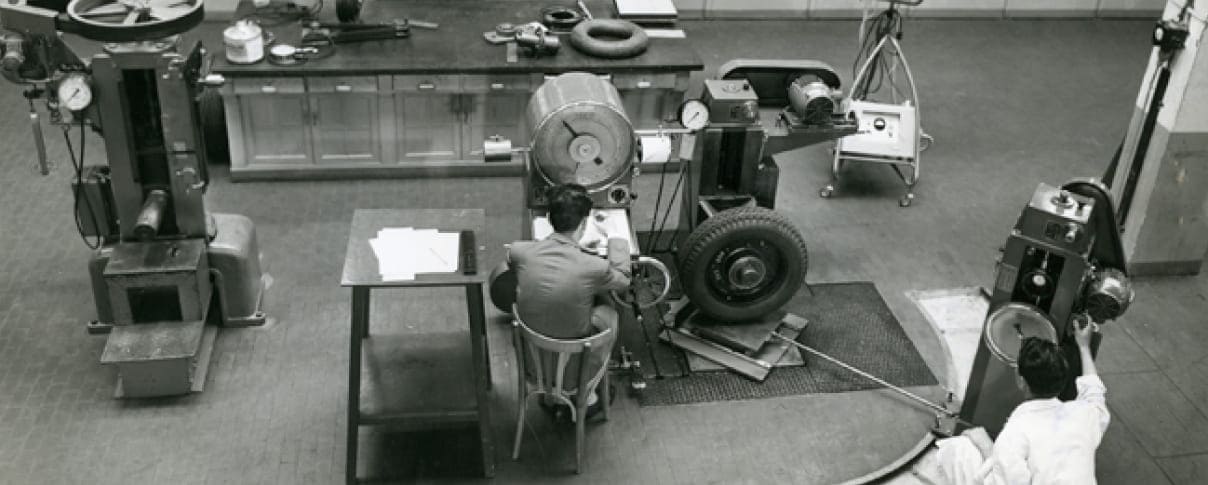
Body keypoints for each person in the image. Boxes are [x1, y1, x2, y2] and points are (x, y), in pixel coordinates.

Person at [936, 316, 1109, 485]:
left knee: (960, 448)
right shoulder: (1084, 415)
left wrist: (987, 446)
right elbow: (1094, 391)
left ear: (1021, 380)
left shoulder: (1017, 431)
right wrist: (1084, 346)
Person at [507, 183, 631, 416]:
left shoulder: (520, 252)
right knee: (609, 311)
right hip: (573, 372)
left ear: (550, 219)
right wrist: (616, 239)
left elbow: (512, 260)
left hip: (533, 365)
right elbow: (624, 280)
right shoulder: (594, 266)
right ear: (584, 224)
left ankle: (551, 395)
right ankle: (587, 393)